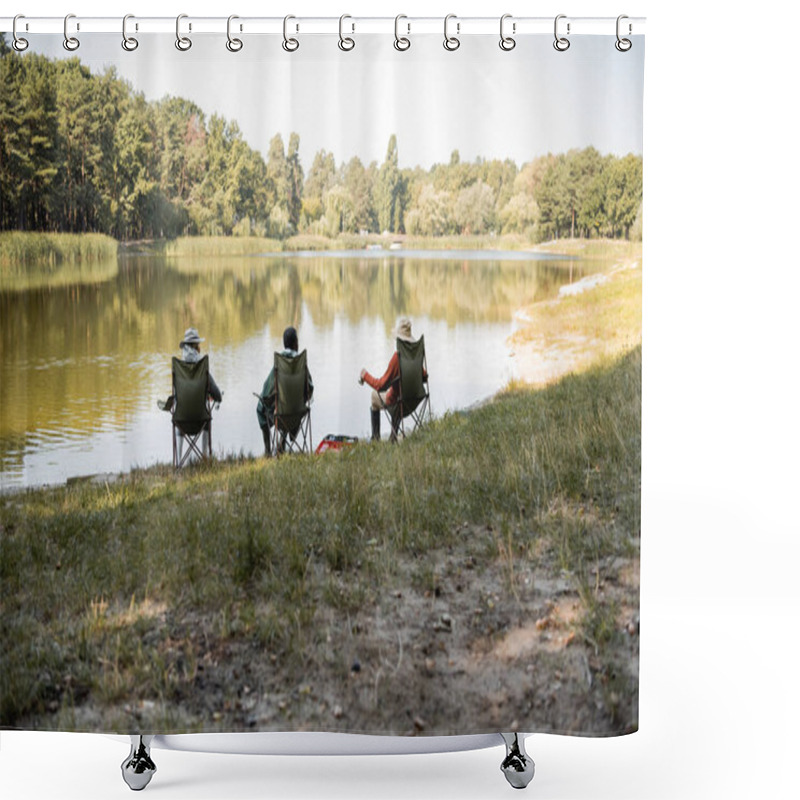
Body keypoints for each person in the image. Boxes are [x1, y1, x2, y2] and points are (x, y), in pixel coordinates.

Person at [160, 327, 223, 461]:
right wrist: (210, 395)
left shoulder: (178, 368)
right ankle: (205, 457)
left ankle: (178, 461)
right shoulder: (202, 367)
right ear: (195, 346)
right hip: (201, 419)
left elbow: (178, 396)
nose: (200, 347)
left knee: (180, 410)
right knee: (207, 417)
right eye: (198, 344)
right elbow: (217, 395)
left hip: (181, 420)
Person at [359, 316, 422, 442]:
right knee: (396, 394)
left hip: (399, 404)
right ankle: (393, 436)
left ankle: (375, 438)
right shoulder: (415, 356)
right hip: (414, 401)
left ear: (399, 340)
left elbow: (380, 385)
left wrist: (365, 375)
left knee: (374, 396)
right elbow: (424, 376)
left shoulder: (397, 358)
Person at [256, 326, 314, 455]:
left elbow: (266, 392)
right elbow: (310, 389)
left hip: (281, 415)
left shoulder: (279, 362)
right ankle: (284, 441)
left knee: (261, 409)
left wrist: (267, 399)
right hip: (298, 413)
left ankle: (268, 451)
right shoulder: (301, 362)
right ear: (295, 343)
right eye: (297, 341)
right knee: (287, 403)